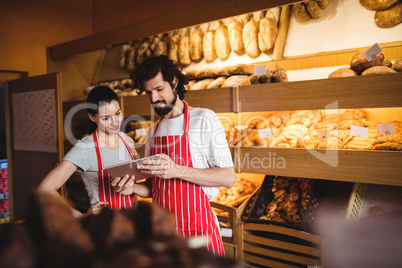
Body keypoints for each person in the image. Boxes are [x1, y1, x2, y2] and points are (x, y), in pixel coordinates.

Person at [113, 55, 236, 256]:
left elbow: (229, 178)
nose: (153, 99)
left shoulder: (204, 119)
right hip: (165, 234)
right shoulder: (153, 132)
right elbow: (156, 188)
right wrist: (132, 188)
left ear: (174, 82)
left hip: (198, 232)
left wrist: (177, 170)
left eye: (159, 89)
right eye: (148, 92)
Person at [37, 86, 138, 217]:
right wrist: (81, 217)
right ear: (92, 117)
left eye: (117, 114)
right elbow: (44, 190)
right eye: (106, 118)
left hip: (131, 222)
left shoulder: (127, 140)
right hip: (104, 226)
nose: (115, 122)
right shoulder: (86, 148)